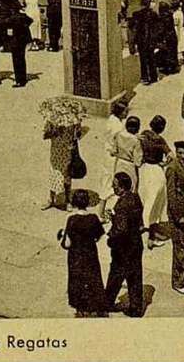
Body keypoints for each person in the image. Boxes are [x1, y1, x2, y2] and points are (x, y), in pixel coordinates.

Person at [59, 189, 107, 317]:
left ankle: (80, 306)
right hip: (90, 253)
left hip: (75, 255)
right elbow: (99, 237)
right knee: (93, 277)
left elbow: (67, 243)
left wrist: (62, 237)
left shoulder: (71, 219)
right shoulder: (93, 218)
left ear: (74, 203)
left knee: (77, 279)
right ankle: (94, 304)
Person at [104, 172, 144, 318]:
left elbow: (121, 229)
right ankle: (136, 308)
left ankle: (107, 303)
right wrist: (114, 216)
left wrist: (110, 237)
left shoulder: (121, 205)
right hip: (136, 244)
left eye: (115, 186)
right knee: (135, 277)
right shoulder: (135, 197)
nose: (113, 188)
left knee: (115, 276)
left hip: (123, 248)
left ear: (122, 188)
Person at [166, 141, 184, 295]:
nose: (183, 156)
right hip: (179, 213)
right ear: (176, 152)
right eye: (181, 153)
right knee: (181, 247)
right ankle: (178, 282)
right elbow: (171, 194)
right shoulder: (172, 167)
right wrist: (178, 216)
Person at [138, 115, 172, 247]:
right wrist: (164, 164)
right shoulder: (160, 140)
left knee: (145, 199)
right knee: (156, 203)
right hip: (156, 171)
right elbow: (171, 156)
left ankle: (142, 226)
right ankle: (151, 236)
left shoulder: (144, 135)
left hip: (144, 169)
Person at [97, 99, 129, 222]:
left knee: (107, 181)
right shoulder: (118, 127)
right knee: (111, 182)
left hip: (107, 154)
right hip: (113, 157)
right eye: (125, 111)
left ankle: (103, 212)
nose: (127, 113)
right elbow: (122, 141)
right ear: (120, 112)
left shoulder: (111, 119)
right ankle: (103, 214)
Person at [42, 114, 81, 211]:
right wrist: (54, 131)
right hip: (56, 152)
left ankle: (67, 201)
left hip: (67, 152)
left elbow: (78, 136)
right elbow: (45, 136)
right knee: (54, 174)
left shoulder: (74, 120)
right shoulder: (52, 119)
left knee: (67, 175)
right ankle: (51, 199)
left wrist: (76, 129)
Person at [112, 115, 144, 192]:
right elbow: (138, 162)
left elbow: (113, 152)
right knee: (130, 188)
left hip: (119, 163)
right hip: (130, 166)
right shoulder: (136, 141)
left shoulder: (118, 134)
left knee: (118, 186)